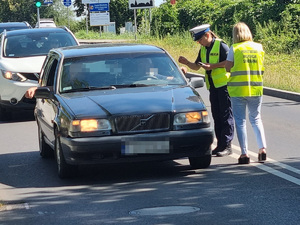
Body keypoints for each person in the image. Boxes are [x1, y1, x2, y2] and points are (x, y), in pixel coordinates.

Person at [179, 24, 234, 157]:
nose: (199, 42)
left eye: (200, 39)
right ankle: (220, 144)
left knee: (226, 116)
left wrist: (212, 66)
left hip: (223, 86)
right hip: (213, 87)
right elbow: (197, 67)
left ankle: (227, 145)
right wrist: (187, 62)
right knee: (216, 115)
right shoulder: (203, 49)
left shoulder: (221, 45)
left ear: (208, 35)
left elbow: (229, 63)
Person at [225, 22, 267, 164]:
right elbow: (261, 68)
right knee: (256, 119)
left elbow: (228, 67)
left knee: (240, 121)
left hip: (238, 90)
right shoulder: (258, 47)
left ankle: (244, 154)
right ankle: (262, 149)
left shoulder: (235, 48)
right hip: (255, 88)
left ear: (235, 34)